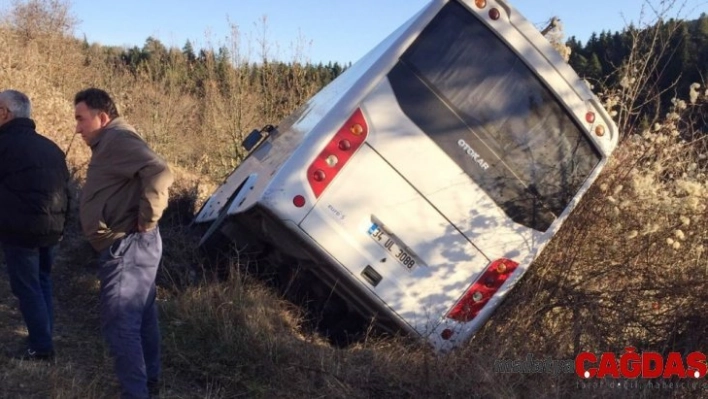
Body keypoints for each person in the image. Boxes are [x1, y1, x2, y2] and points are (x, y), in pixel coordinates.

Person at [74, 88, 173, 398]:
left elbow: (160, 171)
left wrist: (148, 219)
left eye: (81, 119)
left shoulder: (117, 139)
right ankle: (150, 383)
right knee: (141, 316)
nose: (77, 127)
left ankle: (136, 392)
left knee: (120, 324)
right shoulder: (112, 139)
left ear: (103, 118)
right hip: (132, 245)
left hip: (129, 246)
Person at [0, 89, 70, 361]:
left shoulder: (4, 145)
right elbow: (68, 190)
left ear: (5, 113)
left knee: (27, 286)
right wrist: (64, 224)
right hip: (52, 229)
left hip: (20, 230)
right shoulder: (51, 147)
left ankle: (41, 346)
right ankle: (44, 336)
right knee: (42, 281)